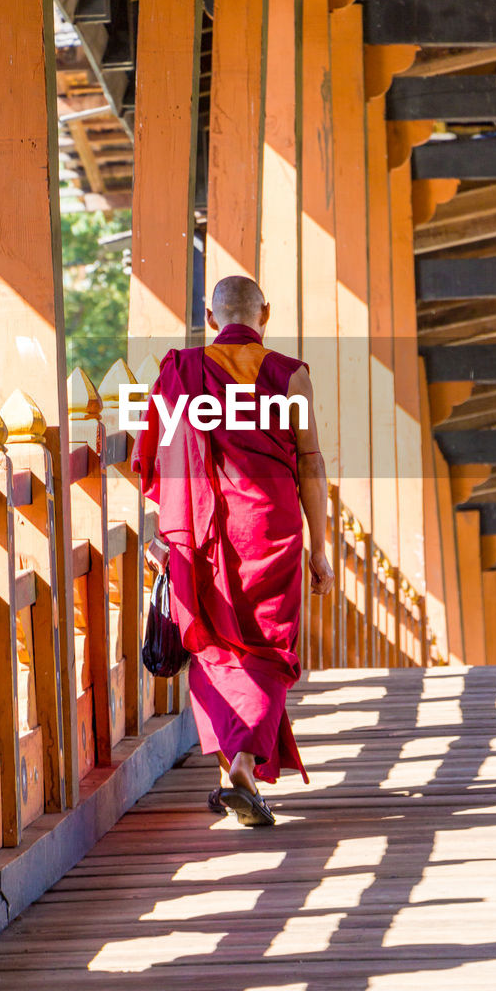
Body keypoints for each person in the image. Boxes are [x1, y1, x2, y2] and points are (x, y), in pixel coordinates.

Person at [132, 276, 334, 827]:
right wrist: (321, 549)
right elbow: (311, 464)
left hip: (200, 533)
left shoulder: (179, 372)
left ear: (210, 314)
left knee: (215, 644)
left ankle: (234, 767)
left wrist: (164, 532)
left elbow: (163, 460)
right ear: (265, 313)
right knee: (268, 650)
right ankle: (240, 765)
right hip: (271, 529)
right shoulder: (291, 377)